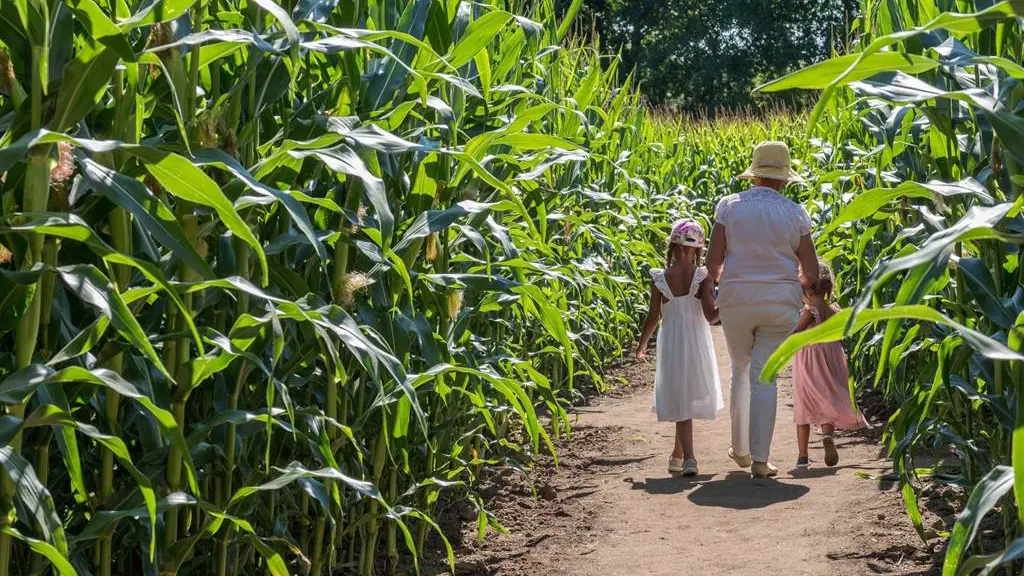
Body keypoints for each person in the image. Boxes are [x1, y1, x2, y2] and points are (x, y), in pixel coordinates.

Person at [706, 141, 820, 478]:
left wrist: (730, 285)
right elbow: (812, 272)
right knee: (764, 377)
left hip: (736, 298)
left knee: (740, 369)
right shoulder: (795, 213)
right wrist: (791, 286)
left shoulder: (729, 207)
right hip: (780, 302)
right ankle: (760, 459)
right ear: (784, 178)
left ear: (754, 174)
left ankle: (739, 449)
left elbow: (712, 262)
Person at [636, 219, 724, 477]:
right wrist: (730, 302)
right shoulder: (703, 277)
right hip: (697, 341)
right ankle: (678, 456)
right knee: (685, 397)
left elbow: (653, 317)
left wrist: (642, 344)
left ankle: (689, 459)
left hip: (672, 341)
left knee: (680, 397)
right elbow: (711, 317)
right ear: (697, 249)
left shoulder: (660, 279)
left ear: (672, 246)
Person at [792, 262, 867, 468]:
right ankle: (827, 435)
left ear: (807, 291)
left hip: (809, 359)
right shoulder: (834, 310)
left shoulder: (810, 311)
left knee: (805, 402)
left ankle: (802, 456)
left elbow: (797, 334)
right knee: (827, 397)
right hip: (832, 355)